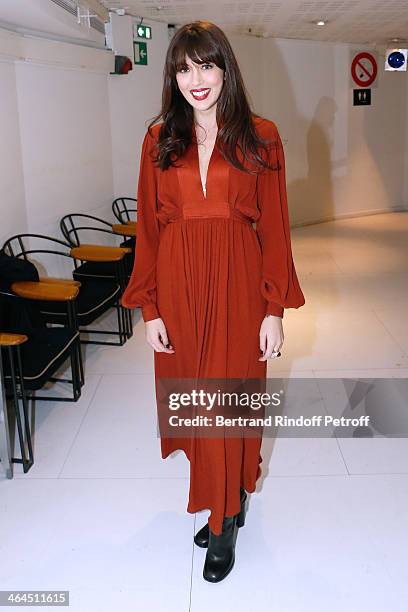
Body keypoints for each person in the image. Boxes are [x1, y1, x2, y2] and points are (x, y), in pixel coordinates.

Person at [121, 20, 305, 583]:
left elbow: (275, 227)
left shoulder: (262, 136)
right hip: (178, 289)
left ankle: (224, 519)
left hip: (241, 288)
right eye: (183, 68)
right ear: (172, 76)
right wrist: (150, 308)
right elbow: (150, 230)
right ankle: (226, 496)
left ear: (226, 68)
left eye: (205, 65)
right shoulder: (159, 139)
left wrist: (273, 308)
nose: (195, 80)